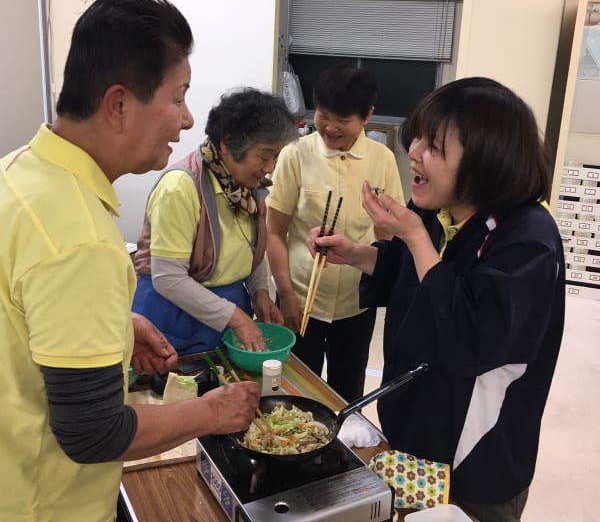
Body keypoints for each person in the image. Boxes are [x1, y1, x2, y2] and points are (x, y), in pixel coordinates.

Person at [0, 0, 261, 522]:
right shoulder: (81, 241)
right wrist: (209, 412)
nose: (187, 121)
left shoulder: (20, 171)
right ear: (118, 105)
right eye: (178, 97)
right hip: (45, 503)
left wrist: (117, 327)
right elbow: (94, 433)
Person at [308, 77, 565, 521]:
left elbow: (471, 337)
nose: (414, 152)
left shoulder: (528, 240)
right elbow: (407, 275)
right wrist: (356, 255)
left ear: (486, 159)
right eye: (418, 138)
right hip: (415, 429)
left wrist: (413, 236)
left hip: (476, 455)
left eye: (435, 146)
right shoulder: (437, 210)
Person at [266, 64, 404, 402]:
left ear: (367, 115)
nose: (329, 127)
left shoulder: (382, 159)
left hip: (356, 303)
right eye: (323, 116)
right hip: (299, 297)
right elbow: (273, 231)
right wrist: (285, 295)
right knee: (297, 392)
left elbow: (389, 235)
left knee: (347, 393)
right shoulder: (295, 154)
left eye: (342, 120)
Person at [132, 87, 298, 355]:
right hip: (172, 315)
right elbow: (169, 278)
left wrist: (260, 293)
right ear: (228, 144)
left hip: (226, 313)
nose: (269, 168)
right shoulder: (181, 187)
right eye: (264, 156)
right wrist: (236, 317)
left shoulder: (248, 188)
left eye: (275, 157)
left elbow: (250, 247)